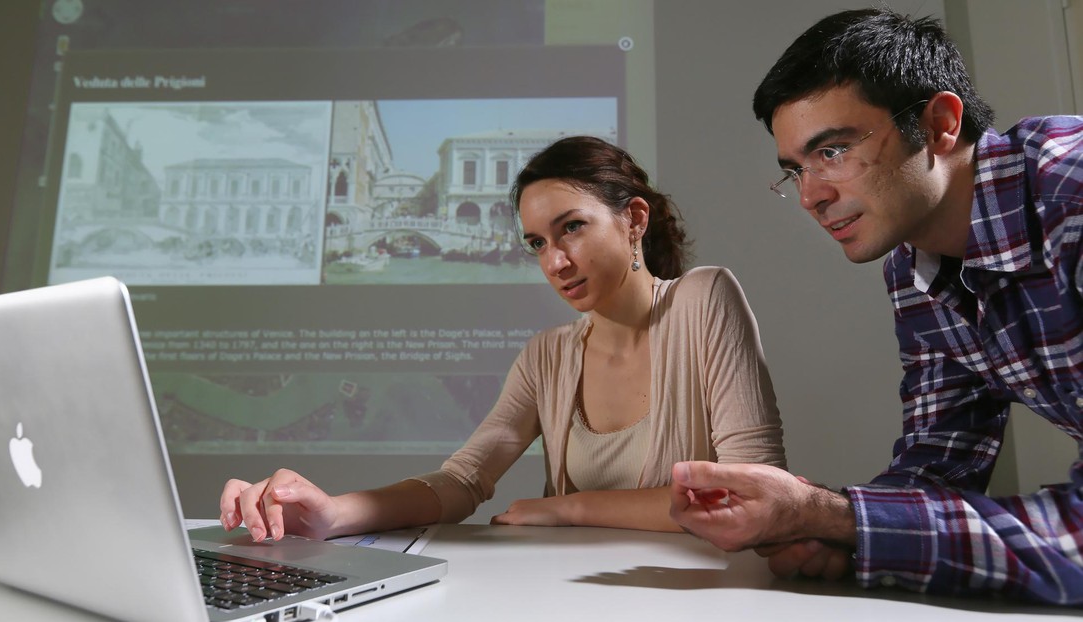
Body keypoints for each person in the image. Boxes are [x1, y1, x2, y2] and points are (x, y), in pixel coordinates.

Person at [669, 8, 1083, 606]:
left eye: (833, 151)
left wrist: (835, 517)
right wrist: (836, 534)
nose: (811, 195)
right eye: (795, 170)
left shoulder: (1071, 199)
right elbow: (942, 462)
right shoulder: (912, 265)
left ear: (940, 124)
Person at [221, 135, 786, 542]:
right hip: (565, 593)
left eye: (572, 227)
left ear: (634, 219)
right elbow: (464, 480)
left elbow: (752, 490)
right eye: (537, 243)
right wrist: (330, 513)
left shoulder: (705, 297)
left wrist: (567, 510)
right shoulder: (548, 354)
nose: (556, 262)